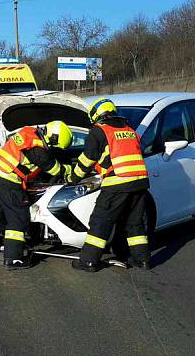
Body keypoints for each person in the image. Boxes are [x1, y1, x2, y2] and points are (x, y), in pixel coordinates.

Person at [0, 121, 75, 270]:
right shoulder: (38, 148)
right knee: (17, 218)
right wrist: (68, 170)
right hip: (8, 182)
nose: (53, 148)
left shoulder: (27, 133)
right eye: (55, 145)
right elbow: (53, 169)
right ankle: (13, 259)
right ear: (53, 138)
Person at [71, 97, 151, 272]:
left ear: (96, 115)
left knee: (100, 221)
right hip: (140, 183)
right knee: (135, 222)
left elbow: (87, 160)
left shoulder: (99, 131)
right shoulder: (131, 130)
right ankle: (142, 259)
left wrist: (73, 177)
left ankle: (88, 261)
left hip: (117, 183)